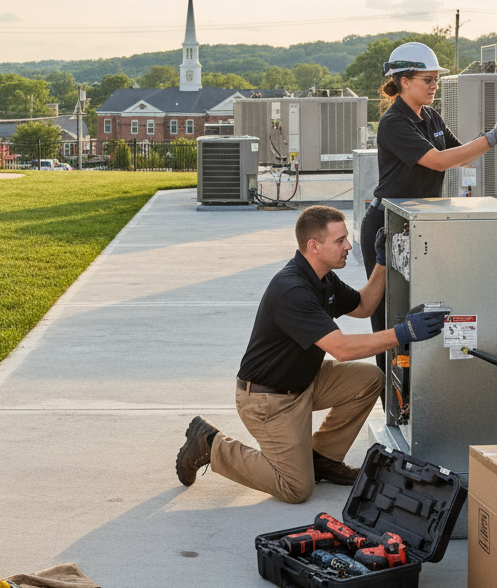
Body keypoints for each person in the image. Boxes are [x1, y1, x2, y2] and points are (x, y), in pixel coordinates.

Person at [175, 205, 447, 503]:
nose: (348, 246)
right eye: (340, 240)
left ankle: (322, 459)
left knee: (369, 378)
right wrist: (403, 333)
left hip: (303, 381)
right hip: (269, 399)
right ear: (314, 246)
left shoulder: (322, 278)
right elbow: (341, 349)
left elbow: (363, 306)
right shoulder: (293, 289)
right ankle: (210, 444)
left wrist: (382, 263)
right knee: (296, 488)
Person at [358, 42, 497, 374]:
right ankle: (391, 390)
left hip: (421, 225)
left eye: (436, 79)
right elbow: (437, 161)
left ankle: (420, 384)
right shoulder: (394, 122)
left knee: (421, 306)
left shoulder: (430, 115)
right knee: (390, 316)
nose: (434, 85)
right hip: (388, 227)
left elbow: (460, 154)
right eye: (428, 79)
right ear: (404, 81)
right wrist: (493, 138)